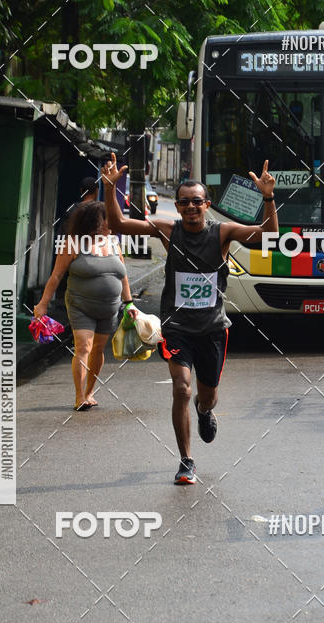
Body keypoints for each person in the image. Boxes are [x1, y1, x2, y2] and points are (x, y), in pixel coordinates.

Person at [102, 153, 278, 484]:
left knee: (206, 395)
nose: (191, 207)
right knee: (181, 388)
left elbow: (268, 234)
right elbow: (119, 225)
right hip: (177, 328)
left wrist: (268, 197)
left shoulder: (223, 232)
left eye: (197, 202)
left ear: (206, 204)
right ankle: (186, 461)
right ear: (178, 207)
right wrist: (110, 189)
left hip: (212, 330)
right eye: (184, 203)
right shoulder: (169, 230)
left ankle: (204, 408)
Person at [33, 201, 135, 411]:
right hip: (81, 306)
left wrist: (129, 303)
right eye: (109, 218)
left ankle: (90, 391)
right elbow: (56, 276)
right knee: (84, 347)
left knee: (98, 349)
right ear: (97, 222)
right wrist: (43, 304)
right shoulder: (72, 243)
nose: (114, 221)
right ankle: (80, 396)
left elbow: (123, 276)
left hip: (109, 308)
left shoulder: (114, 243)